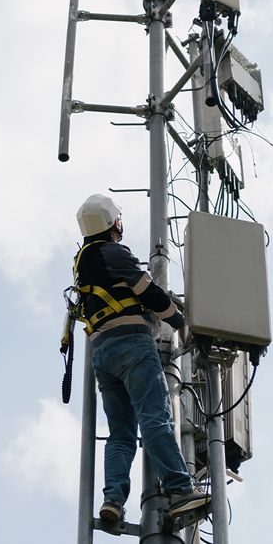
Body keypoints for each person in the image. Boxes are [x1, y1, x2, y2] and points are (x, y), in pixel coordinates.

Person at [71, 194, 209, 526]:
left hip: (102, 354)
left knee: (120, 433)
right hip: (131, 343)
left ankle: (113, 501)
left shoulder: (81, 262)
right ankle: (179, 490)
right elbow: (149, 292)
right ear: (113, 222)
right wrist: (180, 322)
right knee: (155, 419)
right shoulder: (113, 253)